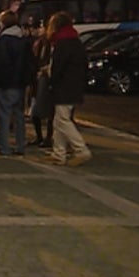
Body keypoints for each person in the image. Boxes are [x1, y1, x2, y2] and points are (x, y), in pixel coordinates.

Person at [45, 11, 91, 166]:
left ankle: (81, 150)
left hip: (64, 87)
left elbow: (58, 67)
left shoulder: (61, 43)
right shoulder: (75, 41)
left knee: (63, 120)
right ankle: (59, 154)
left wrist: (51, 79)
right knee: (59, 121)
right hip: (74, 85)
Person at [0, 10, 29, 156]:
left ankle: (4, 147)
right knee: (19, 116)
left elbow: (2, 63)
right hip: (20, 83)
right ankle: (20, 145)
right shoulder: (23, 39)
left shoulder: (4, 40)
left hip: (7, 82)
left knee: (4, 116)